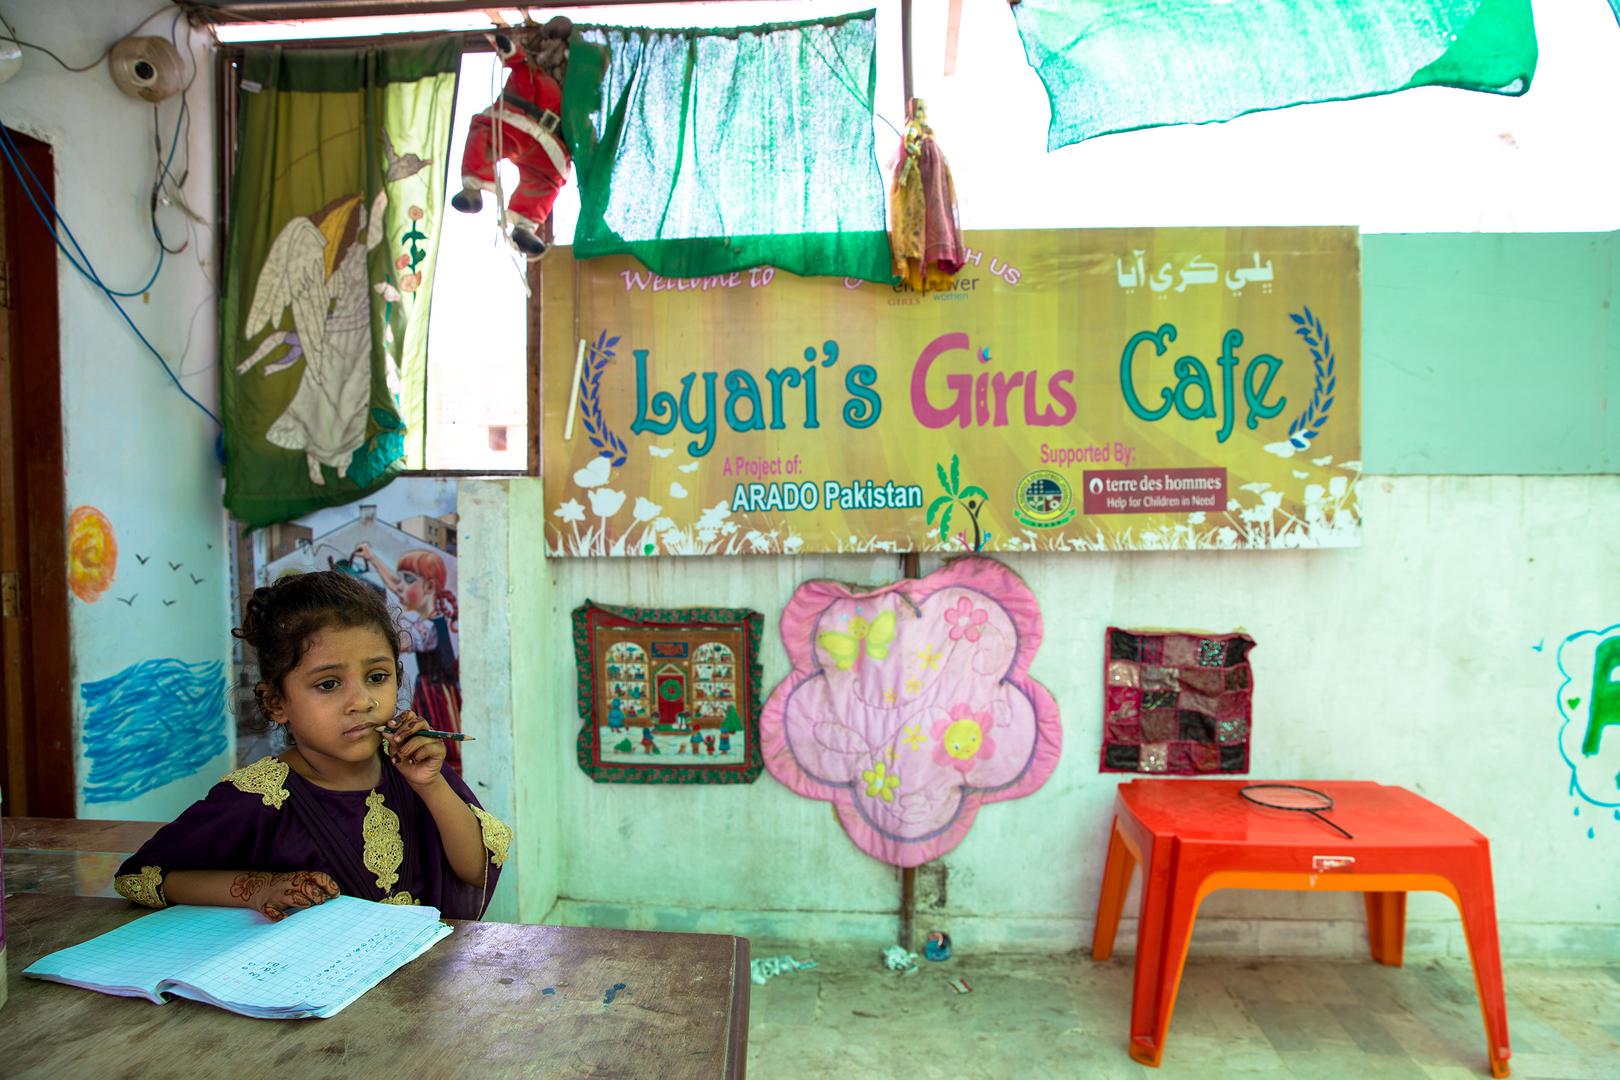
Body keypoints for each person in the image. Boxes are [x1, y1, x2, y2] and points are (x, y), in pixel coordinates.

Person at [112, 571, 511, 922]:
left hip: (417, 994)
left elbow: (477, 870)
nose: (362, 701)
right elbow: (141, 877)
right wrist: (258, 889)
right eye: (328, 684)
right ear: (277, 703)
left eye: (377, 676)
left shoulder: (414, 767)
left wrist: (431, 786)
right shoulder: (260, 796)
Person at [354, 543, 464, 773]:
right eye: (400, 580)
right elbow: (395, 586)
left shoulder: (428, 629)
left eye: (408, 580)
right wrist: (373, 558)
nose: (399, 587)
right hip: (434, 691)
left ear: (430, 586)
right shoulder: (434, 621)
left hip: (438, 696)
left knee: (439, 753)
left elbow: (393, 645)